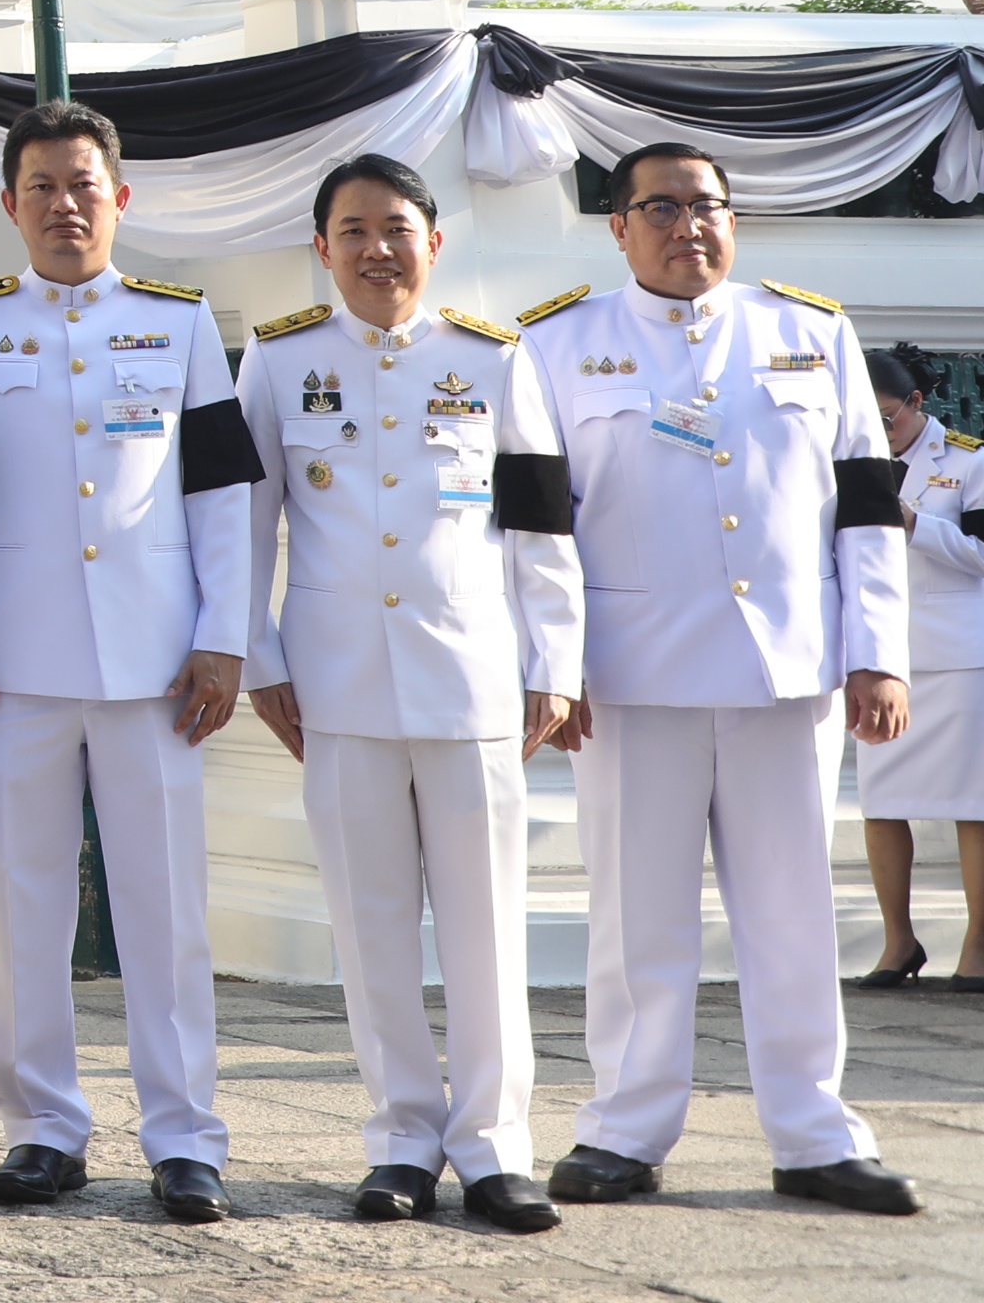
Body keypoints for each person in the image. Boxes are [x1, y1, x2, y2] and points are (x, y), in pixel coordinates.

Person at [536, 145, 921, 1214]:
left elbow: (867, 504)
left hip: (784, 668)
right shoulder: (556, 343)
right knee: (637, 918)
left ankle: (815, 1135)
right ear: (619, 228)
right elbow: (537, 528)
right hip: (629, 675)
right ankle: (624, 1129)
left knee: (794, 913)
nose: (687, 226)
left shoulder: (811, 331)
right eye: (660, 208)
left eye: (706, 206)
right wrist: (551, 665)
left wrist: (877, 651)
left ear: (732, 220)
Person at [233, 153, 578, 1234]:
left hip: (473, 679)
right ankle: (400, 1141)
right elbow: (244, 527)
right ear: (321, 247)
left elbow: (540, 524)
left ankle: (496, 1147)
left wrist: (555, 663)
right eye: (353, 231)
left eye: (396, 229)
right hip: (334, 684)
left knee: (487, 929)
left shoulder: (494, 357)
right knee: (369, 928)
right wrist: (259, 660)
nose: (376, 250)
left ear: (434, 240)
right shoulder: (280, 361)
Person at [0, 98, 248, 1224]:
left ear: (121, 197)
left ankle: (185, 1135)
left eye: (84, 185)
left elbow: (221, 492)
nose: (66, 205)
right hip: (13, 661)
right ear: (11, 205)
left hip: (160, 663)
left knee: (168, 906)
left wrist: (224, 633)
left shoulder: (180, 323)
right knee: (27, 905)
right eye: (43, 188)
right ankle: (43, 1127)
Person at [855, 348, 982, 990]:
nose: (881, 431)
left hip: (959, 657)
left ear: (917, 403)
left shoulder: (968, 460)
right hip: (883, 655)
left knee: (973, 805)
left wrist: (915, 524)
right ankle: (898, 942)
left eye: (888, 417)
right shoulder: (849, 460)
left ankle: (978, 946)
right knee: (881, 801)